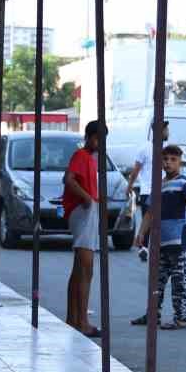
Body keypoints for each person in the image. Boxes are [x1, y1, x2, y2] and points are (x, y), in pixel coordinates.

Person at [131, 144, 186, 330]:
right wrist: (141, 233)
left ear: (179, 162)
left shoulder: (184, 182)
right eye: (165, 159)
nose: (168, 163)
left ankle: (181, 318)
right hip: (161, 243)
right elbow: (149, 213)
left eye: (173, 160)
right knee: (157, 282)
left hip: (180, 243)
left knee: (180, 281)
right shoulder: (158, 185)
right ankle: (153, 315)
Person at [61, 120, 105, 338]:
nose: (100, 143)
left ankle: (74, 319)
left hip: (86, 210)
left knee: (80, 269)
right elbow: (68, 179)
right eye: (97, 138)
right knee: (86, 269)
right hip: (83, 211)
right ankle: (82, 322)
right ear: (89, 137)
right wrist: (87, 198)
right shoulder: (81, 155)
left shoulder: (89, 158)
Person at [124, 121, 169, 241]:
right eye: (165, 129)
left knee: (158, 223)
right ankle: (144, 246)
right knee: (149, 223)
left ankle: (151, 246)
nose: (167, 132)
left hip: (162, 191)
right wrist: (129, 186)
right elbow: (136, 170)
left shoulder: (168, 149)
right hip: (148, 192)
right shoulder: (145, 149)